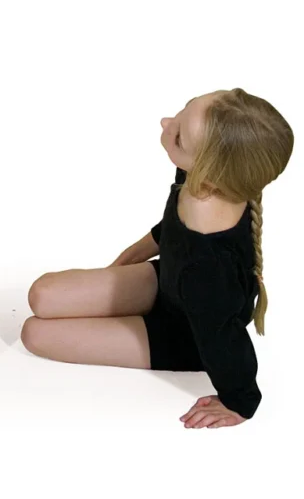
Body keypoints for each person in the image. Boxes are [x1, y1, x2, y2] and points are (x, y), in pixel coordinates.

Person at [21, 89, 293, 427]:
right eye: (181, 112)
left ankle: (132, 327)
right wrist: (121, 266)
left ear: (209, 172)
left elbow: (223, 337)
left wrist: (241, 402)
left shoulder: (208, 271)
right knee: (41, 295)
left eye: (178, 135)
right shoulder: (203, 177)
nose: (166, 122)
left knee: (35, 334)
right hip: (169, 284)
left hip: (183, 337)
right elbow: (170, 231)